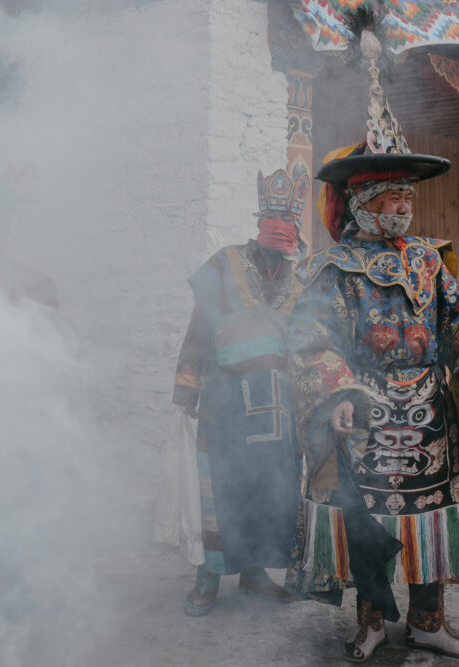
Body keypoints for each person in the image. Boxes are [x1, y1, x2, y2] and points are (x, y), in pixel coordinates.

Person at [283, 133, 459, 659]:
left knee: (430, 518)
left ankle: (427, 622)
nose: (404, 209)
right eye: (395, 198)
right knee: (370, 521)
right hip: (364, 413)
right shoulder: (333, 268)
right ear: (365, 204)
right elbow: (310, 338)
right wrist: (338, 392)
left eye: (409, 198)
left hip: (430, 411)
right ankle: (370, 622)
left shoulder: (428, 261)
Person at [171, 166, 310, 616]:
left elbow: (312, 343)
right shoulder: (224, 262)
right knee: (219, 487)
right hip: (225, 400)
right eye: (272, 215)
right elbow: (199, 328)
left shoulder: (305, 277)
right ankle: (208, 577)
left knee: (270, 490)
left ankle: (255, 573)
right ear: (258, 220)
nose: (280, 225)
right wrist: (186, 389)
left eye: (288, 218)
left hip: (279, 404)